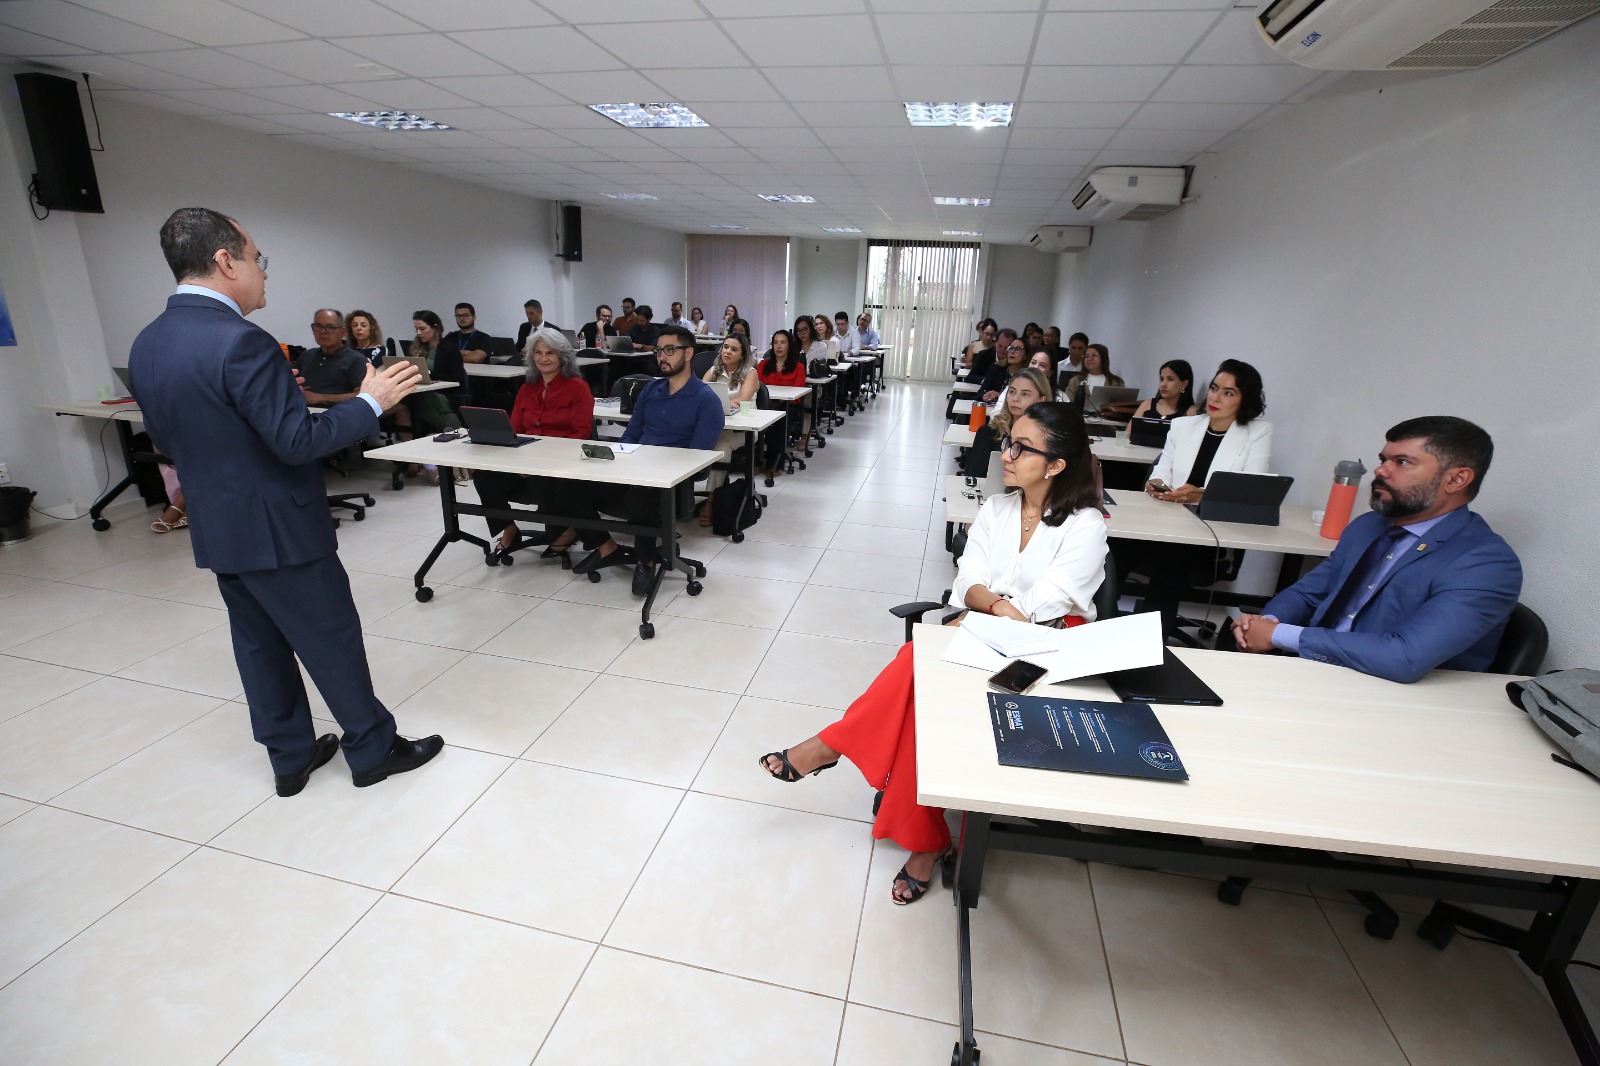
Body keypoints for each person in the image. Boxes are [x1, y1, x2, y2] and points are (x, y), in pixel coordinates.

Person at [128, 207, 442, 795]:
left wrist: (269, 405)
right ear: (226, 262)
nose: (264, 272)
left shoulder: (149, 341)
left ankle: (289, 757)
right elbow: (297, 443)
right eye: (257, 259)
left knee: (258, 644)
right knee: (329, 637)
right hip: (279, 527)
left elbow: (169, 439)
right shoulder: (243, 341)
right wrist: (370, 402)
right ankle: (373, 750)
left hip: (219, 524)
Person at [759, 403, 1107, 904]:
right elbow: (966, 582)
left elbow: (1041, 609)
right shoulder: (997, 508)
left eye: (1021, 448)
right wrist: (992, 607)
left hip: (1047, 655)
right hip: (984, 634)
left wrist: (985, 609)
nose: (1006, 454)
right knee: (919, 687)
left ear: (1055, 465)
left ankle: (834, 748)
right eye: (1009, 442)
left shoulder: (1086, 525)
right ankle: (922, 839)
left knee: (916, 668)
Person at [1230, 417, 1521, 683]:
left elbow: (1404, 658)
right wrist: (1264, 624)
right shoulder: (1368, 526)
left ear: (1456, 480)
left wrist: (1280, 635)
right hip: (1313, 670)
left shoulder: (1485, 562)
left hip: (1390, 695)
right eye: (1384, 459)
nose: (1380, 470)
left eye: (1402, 462)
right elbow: (1309, 593)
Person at [560, 325, 725, 595]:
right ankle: (605, 547)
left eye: (670, 350)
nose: (662, 356)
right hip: (634, 468)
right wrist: (615, 458)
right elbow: (631, 435)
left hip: (669, 481)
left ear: (688, 354)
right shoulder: (650, 390)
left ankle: (645, 562)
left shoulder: (706, 400)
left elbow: (697, 459)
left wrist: (651, 466)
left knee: (642, 493)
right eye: (659, 350)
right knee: (571, 484)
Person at [1131, 359, 1273, 633]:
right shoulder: (1184, 426)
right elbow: (1162, 470)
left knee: (1171, 558)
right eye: (1214, 388)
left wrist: (1199, 495)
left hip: (1211, 532)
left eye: (1228, 393)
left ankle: (1152, 638)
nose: (1215, 397)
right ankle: (1102, 619)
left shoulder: (1257, 433)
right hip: (1166, 521)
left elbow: (1249, 488)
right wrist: (1158, 484)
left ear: (1245, 400)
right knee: (1116, 546)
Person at [471, 327, 596, 563]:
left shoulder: (578, 387)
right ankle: (509, 529)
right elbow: (515, 431)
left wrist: (539, 462)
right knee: (484, 477)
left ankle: (570, 529)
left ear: (562, 356)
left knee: (543, 480)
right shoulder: (527, 388)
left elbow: (580, 434)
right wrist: (518, 461)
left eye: (550, 353)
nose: (543, 358)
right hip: (525, 460)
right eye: (538, 353)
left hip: (560, 462)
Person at [698, 332, 759, 524]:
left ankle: (711, 500)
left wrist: (722, 402)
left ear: (742, 354)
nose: (727, 352)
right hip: (716, 425)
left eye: (734, 349)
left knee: (721, 445)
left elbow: (744, 399)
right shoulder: (714, 370)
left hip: (743, 430)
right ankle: (680, 498)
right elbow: (699, 394)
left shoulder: (750, 372)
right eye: (725, 347)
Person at [964, 368, 1050, 479]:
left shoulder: (1047, 437)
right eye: (1012, 392)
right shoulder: (990, 432)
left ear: (1041, 400)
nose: (1015, 398)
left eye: (1025, 394)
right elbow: (973, 478)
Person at [758, 328, 807, 477]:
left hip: (788, 407)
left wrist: (777, 403)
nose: (778, 346)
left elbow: (796, 395)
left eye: (783, 342)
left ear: (789, 345)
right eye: (775, 343)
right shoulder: (764, 364)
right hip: (765, 405)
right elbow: (757, 387)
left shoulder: (798, 367)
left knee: (778, 423)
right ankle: (756, 462)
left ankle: (774, 465)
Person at [298, 308, 366, 406]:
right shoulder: (307, 355)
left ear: (343, 332)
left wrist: (320, 398)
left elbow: (363, 396)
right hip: (302, 410)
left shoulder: (356, 360)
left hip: (336, 412)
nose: (323, 331)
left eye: (330, 327)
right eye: (318, 326)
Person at [1063, 342, 1126, 415]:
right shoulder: (1075, 381)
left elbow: (1122, 407)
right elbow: (1067, 405)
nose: (1089, 359)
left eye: (1094, 355)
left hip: (1108, 420)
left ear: (1103, 358)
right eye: (1086, 356)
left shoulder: (1116, 382)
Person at [1128, 359, 1199, 424]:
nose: (1163, 384)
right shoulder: (1147, 405)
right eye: (1162, 379)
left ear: (1184, 384)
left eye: (1170, 379)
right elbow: (1128, 432)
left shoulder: (1191, 412)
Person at [978, 329, 1023, 401]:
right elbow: (981, 393)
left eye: (1017, 349)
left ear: (1025, 355)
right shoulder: (996, 367)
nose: (1012, 352)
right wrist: (985, 396)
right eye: (1011, 348)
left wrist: (1001, 397)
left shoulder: (1027, 374)